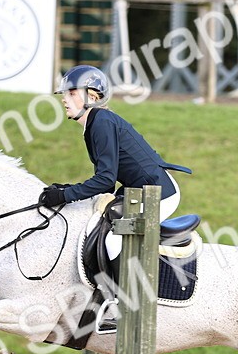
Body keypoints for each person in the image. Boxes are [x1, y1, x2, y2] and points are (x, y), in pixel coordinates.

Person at [40, 65, 189, 258]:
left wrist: (65, 195)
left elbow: (106, 181)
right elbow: (105, 185)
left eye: (71, 93)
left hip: (159, 196)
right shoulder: (94, 123)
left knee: (112, 239)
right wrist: (65, 190)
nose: (64, 98)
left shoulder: (101, 123)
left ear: (91, 96)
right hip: (139, 194)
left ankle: (127, 288)